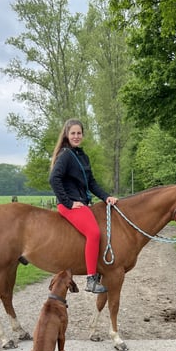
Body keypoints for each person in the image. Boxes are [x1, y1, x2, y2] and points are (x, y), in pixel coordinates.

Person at [49, 119, 118, 293]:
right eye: (73, 133)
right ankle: (91, 279)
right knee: (94, 233)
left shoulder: (82, 156)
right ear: (66, 135)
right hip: (70, 205)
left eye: (79, 133)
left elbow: (91, 182)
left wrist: (106, 197)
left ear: (83, 135)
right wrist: (68, 202)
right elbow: (54, 179)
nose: (76, 136)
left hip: (82, 203)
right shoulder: (65, 155)